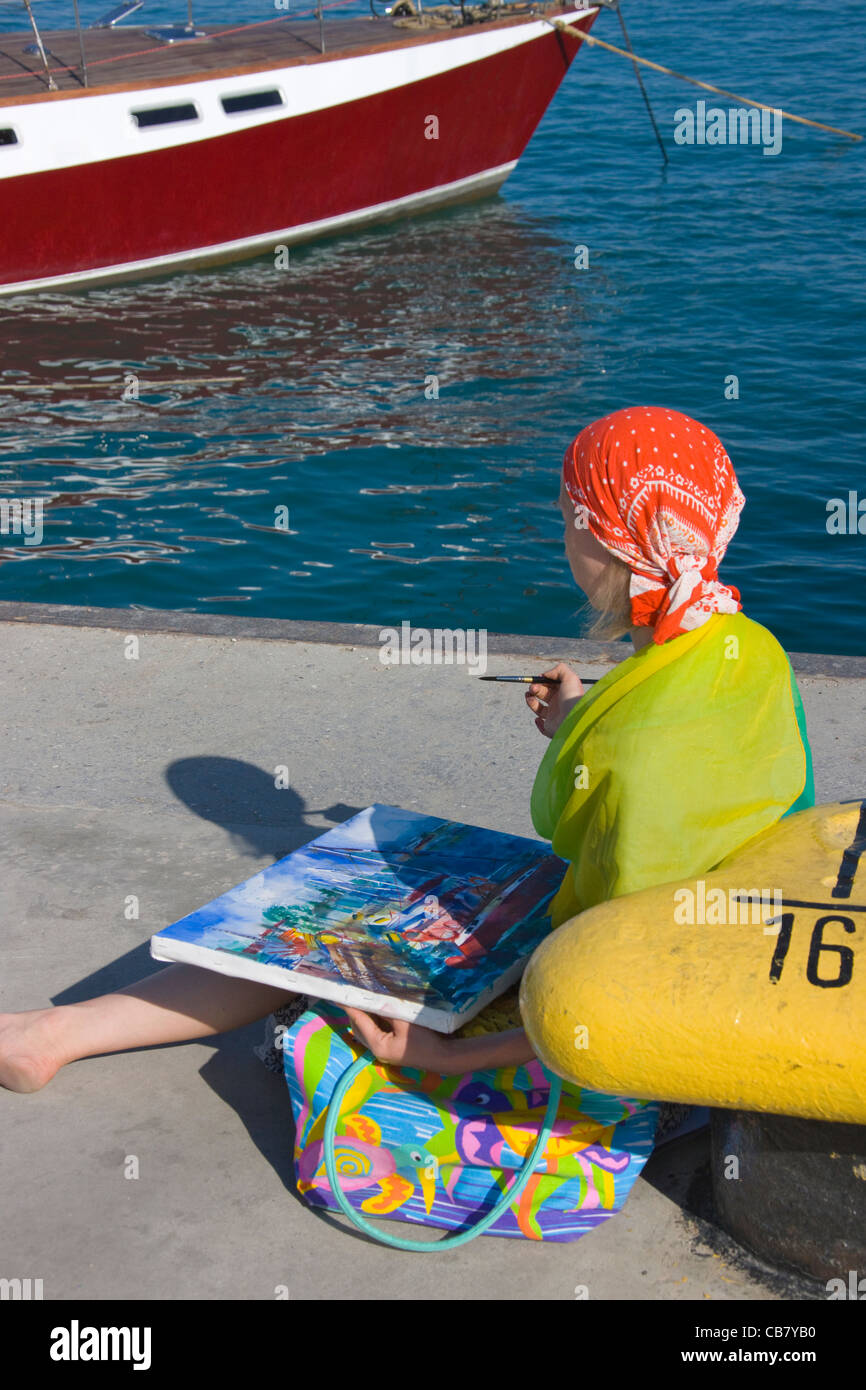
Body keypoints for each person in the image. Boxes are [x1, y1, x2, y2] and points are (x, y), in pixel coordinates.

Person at [0, 406, 813, 1242]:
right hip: (723, 952)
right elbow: (691, 760)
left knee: (333, 936)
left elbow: (615, 991)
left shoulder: (636, 748)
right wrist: (580, 716)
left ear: (605, 541)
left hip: (629, 1035)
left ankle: (51, 1035)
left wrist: (445, 1057)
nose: (562, 540)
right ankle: (52, 1034)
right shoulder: (750, 649)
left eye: (568, 520)